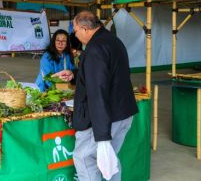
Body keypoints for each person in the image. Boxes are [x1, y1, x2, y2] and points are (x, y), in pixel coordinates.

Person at [53, 11, 138, 181]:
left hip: (106, 118)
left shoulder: (94, 49)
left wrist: (102, 135)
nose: (75, 35)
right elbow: (108, 74)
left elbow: (97, 93)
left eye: (75, 31)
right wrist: (75, 75)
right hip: (123, 112)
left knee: (85, 159)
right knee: (109, 160)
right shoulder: (113, 41)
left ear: (85, 29)